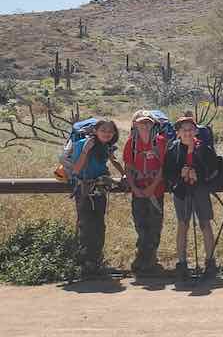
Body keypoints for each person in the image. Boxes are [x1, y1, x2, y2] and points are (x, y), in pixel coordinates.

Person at [163, 114, 223, 280]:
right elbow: (167, 173)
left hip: (200, 190)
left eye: (191, 129)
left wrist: (200, 176)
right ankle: (182, 263)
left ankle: (210, 262)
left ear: (196, 131)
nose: (188, 133)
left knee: (205, 223)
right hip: (181, 191)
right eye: (184, 130)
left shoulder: (204, 149)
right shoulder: (173, 149)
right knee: (183, 224)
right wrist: (179, 176)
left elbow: (214, 170)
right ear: (178, 132)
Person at [60, 118, 121, 276]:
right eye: (103, 130)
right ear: (95, 131)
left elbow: (113, 160)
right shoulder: (83, 144)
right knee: (86, 226)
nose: (107, 134)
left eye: (110, 131)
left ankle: (95, 262)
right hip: (84, 189)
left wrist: (124, 174)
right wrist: (86, 150)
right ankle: (86, 264)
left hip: (99, 189)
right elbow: (76, 170)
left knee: (99, 225)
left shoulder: (105, 146)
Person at [122, 111, 166, 275]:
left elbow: (163, 167)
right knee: (140, 224)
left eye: (148, 122)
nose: (145, 125)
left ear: (153, 124)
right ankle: (142, 257)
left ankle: (151, 258)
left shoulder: (160, 142)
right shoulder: (131, 143)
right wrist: (134, 188)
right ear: (135, 125)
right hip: (138, 190)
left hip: (156, 191)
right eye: (142, 122)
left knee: (155, 224)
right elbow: (128, 167)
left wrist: (152, 186)